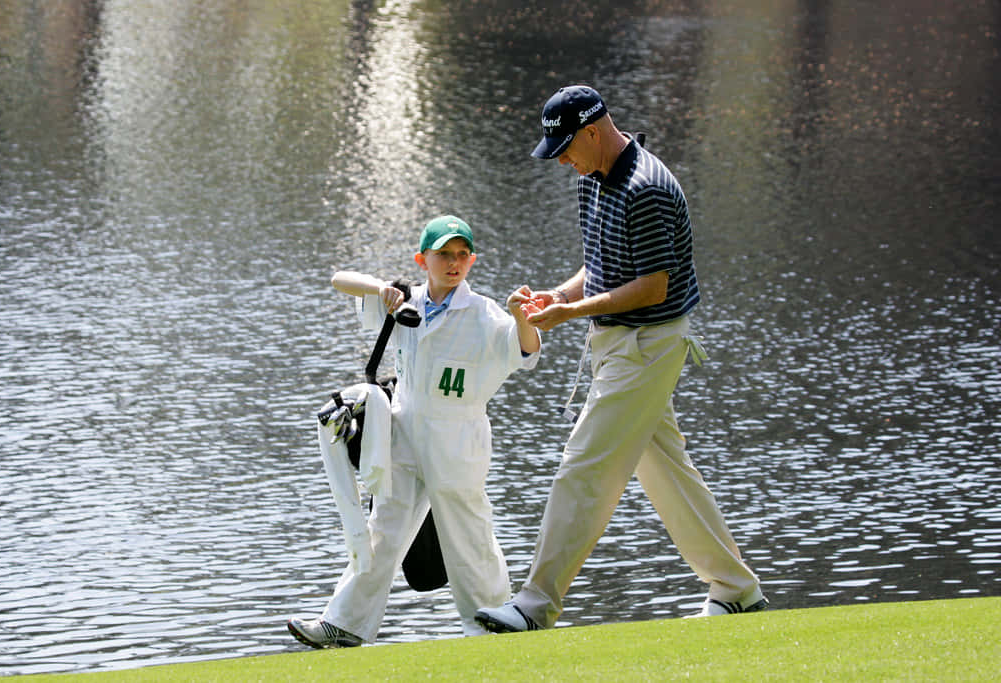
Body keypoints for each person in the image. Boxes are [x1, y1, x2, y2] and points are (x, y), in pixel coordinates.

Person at [474, 86, 767, 633]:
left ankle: (535, 605)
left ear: (591, 131)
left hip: (647, 345)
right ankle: (737, 590)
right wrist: (561, 298)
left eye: (565, 148)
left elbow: (653, 287)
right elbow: (602, 264)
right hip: (616, 345)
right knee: (667, 473)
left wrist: (572, 313)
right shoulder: (593, 179)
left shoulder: (647, 188)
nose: (562, 160)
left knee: (583, 467)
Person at [288, 215, 541, 647]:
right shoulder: (404, 302)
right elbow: (338, 278)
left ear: (472, 260)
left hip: (457, 434)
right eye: (444, 254)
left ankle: (491, 624)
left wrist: (521, 316)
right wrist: (378, 289)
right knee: (383, 527)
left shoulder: (482, 312)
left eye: (462, 254)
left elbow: (526, 352)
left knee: (468, 531)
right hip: (404, 428)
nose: (454, 262)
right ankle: (344, 624)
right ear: (423, 259)